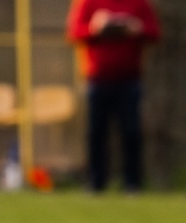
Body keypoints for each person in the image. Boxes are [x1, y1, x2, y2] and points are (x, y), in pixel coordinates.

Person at [66, 0, 161, 194]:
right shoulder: (88, 3)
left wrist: (136, 28)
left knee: (131, 132)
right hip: (97, 79)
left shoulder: (139, 4)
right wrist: (95, 28)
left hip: (130, 80)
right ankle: (96, 182)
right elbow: (74, 33)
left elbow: (154, 33)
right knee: (96, 133)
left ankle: (132, 183)